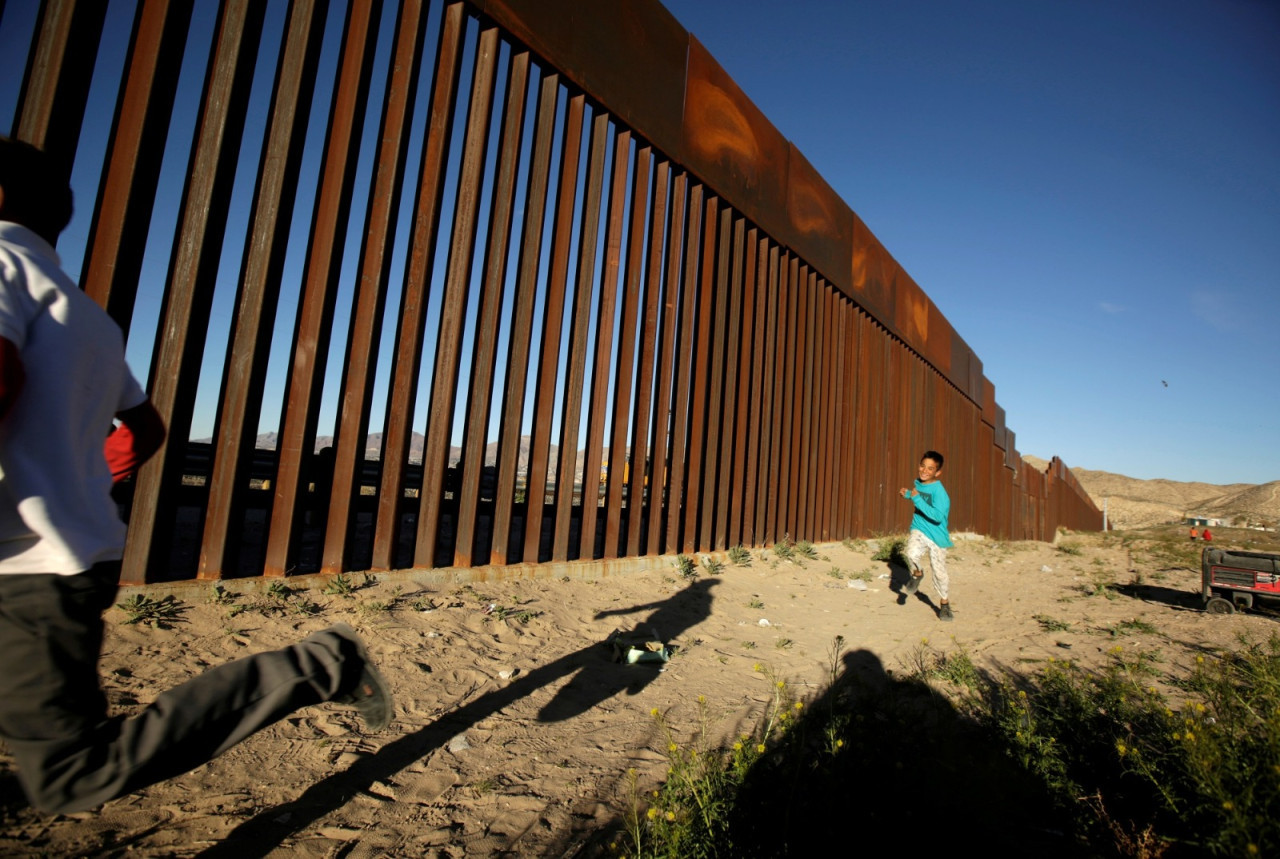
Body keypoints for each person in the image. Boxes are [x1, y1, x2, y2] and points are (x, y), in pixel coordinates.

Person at [0, 137, 393, 815]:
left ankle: (321, 664)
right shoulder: (87, 315)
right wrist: (88, 484)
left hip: (27, 564)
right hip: (66, 558)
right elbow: (145, 427)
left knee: (69, 772)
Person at [900, 450, 954, 621]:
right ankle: (917, 573)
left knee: (939, 573)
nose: (924, 470)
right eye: (922, 466)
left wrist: (915, 499)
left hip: (937, 536)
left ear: (937, 473)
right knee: (911, 553)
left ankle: (944, 604)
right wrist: (908, 495)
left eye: (930, 469)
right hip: (919, 529)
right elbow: (920, 498)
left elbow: (937, 516)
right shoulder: (919, 484)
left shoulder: (940, 492)